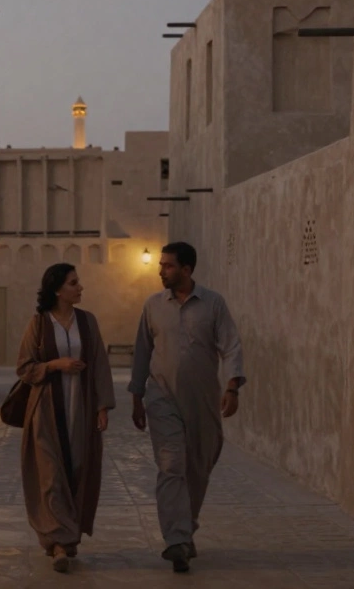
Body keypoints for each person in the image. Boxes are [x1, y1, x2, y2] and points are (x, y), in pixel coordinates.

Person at [130, 242, 246, 573]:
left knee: (197, 466)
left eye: (168, 266)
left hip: (203, 400)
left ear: (186, 270)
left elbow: (231, 345)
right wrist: (137, 396)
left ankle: (186, 528)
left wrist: (233, 386)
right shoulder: (152, 306)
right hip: (162, 397)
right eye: (161, 264)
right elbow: (142, 352)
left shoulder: (213, 304)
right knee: (171, 465)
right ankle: (176, 540)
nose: (161, 270)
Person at [16, 263, 116, 573]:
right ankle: (59, 542)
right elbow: (24, 368)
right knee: (50, 476)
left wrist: (102, 407)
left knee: (78, 469)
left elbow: (99, 364)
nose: (80, 287)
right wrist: (55, 365)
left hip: (81, 409)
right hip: (45, 411)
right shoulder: (39, 324)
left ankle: (67, 537)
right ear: (58, 289)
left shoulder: (87, 323)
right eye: (74, 283)